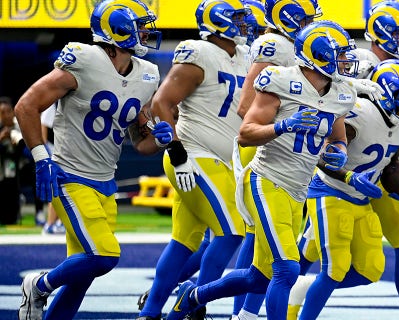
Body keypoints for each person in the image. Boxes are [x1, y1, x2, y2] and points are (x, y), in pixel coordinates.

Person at [165, 20, 358, 320]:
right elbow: (246, 132)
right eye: (340, 54)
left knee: (260, 276)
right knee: (287, 268)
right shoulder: (280, 80)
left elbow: (338, 135)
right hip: (267, 180)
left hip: (297, 189)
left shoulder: (341, 92)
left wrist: (339, 151)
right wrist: (283, 125)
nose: (347, 61)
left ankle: (193, 296)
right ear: (318, 55)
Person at [14, 0, 170, 319]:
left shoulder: (147, 74)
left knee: (82, 277)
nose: (146, 32)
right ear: (118, 28)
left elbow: (141, 145)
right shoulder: (84, 59)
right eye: (140, 25)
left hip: (106, 181)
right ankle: (39, 285)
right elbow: (26, 106)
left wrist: (159, 138)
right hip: (69, 175)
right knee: (103, 255)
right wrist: (42, 157)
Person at [297, 58, 399, 320]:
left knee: (370, 270)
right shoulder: (358, 113)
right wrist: (349, 178)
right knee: (335, 268)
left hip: (360, 200)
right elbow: (320, 156)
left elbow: (388, 160)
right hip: (331, 192)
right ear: (384, 92)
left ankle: (304, 287)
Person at [136, 1, 251, 320]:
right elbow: (162, 102)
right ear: (220, 20)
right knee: (232, 232)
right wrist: (177, 152)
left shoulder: (244, 55)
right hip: (193, 156)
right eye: (239, 18)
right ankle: (189, 304)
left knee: (184, 241)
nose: (246, 23)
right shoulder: (198, 52)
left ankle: (150, 311)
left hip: (219, 160)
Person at [232, 1, 322, 319]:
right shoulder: (276, 45)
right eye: (308, 19)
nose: (313, 25)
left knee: (265, 246)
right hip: (265, 149)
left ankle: (242, 312)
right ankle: (240, 312)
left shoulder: (290, 47)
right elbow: (246, 106)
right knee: (257, 236)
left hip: (286, 147)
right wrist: (283, 128)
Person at [40, 102, 66, 235]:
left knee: (64, 188)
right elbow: (43, 126)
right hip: (54, 151)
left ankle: (59, 222)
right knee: (57, 187)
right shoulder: (53, 104)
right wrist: (47, 153)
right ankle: (50, 224)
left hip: (65, 152)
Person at [0, 97, 25, 225]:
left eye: (7, 111)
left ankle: (14, 216)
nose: (5, 115)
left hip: (18, 165)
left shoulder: (19, 126)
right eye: (2, 112)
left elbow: (25, 147)